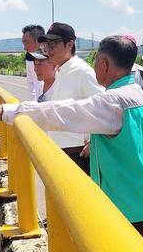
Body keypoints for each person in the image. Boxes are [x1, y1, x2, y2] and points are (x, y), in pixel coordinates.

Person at [0, 35, 143, 242]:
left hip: (125, 202)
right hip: (140, 194)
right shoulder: (134, 91)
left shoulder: (114, 101)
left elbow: (63, 112)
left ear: (103, 63)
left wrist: (6, 111)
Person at [38, 22, 104, 175]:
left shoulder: (82, 71)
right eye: (47, 44)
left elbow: (103, 106)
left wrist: (94, 142)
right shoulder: (62, 71)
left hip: (78, 152)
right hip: (61, 149)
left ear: (70, 44)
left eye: (54, 43)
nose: (49, 48)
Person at [22, 25, 45, 101]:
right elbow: (30, 83)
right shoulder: (29, 59)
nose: (24, 48)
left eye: (26, 43)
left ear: (39, 41)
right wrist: (33, 104)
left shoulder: (54, 59)